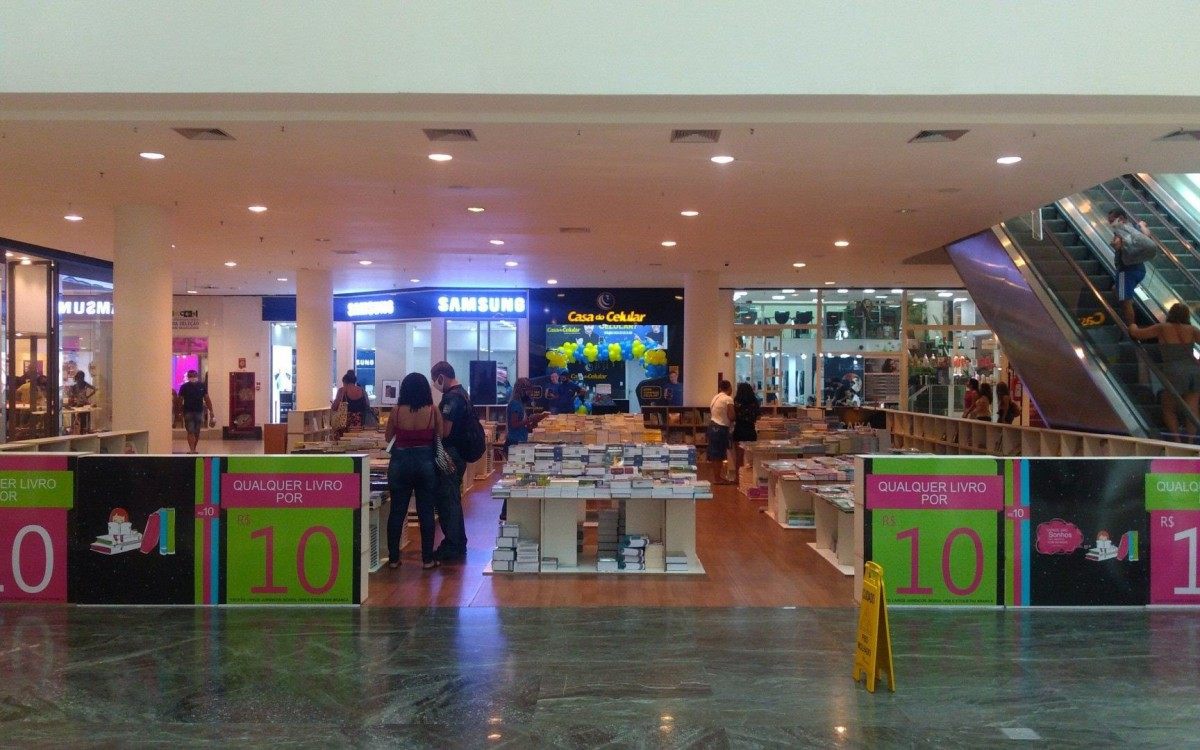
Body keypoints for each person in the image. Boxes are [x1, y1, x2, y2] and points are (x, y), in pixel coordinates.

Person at [384, 372, 443, 570]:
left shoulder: (396, 411)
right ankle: (427, 559)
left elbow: (388, 437)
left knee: (397, 512)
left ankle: (393, 559)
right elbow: (440, 436)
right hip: (426, 463)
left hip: (400, 464)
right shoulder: (433, 411)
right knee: (426, 512)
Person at [1129, 302, 1200, 441]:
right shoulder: (1192, 330)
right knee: (1192, 410)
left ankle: (1177, 440)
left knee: (1168, 408)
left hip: (1174, 371)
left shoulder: (1162, 328)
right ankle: (1191, 442)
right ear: (1186, 316)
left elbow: (1137, 334)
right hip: (1194, 371)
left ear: (1171, 314)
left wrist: (1132, 325)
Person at [430, 361, 470, 561]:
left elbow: (445, 431)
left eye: (435, 380)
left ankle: (453, 544)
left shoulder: (451, 399)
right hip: (460, 453)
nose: (435, 385)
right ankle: (457, 542)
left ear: (441, 377)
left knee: (448, 500)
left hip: (450, 455)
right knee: (452, 498)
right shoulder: (463, 394)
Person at [1109, 208, 1153, 326]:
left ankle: (1131, 329)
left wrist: (1114, 242)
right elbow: (1147, 236)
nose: (1110, 224)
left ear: (1121, 218)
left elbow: (1117, 245)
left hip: (1125, 271)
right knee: (1116, 289)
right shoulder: (1135, 228)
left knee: (1125, 301)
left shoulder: (1121, 231)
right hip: (1139, 269)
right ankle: (1126, 313)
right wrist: (1142, 225)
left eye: (1112, 220)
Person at [176, 370, 213, 453]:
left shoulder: (202, 386)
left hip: (199, 411)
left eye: (194, 375)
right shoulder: (184, 387)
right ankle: (192, 449)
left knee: (197, 431)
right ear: (188, 377)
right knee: (190, 431)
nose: (192, 377)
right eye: (190, 376)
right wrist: (179, 412)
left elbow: (207, 399)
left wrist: (211, 411)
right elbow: (180, 400)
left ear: (197, 376)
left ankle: (194, 448)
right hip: (188, 411)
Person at [707, 380, 735, 484]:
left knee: (715, 454)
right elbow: (731, 416)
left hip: (712, 426)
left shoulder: (715, 397)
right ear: (729, 388)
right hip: (721, 428)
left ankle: (717, 477)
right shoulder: (728, 399)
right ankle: (718, 478)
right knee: (719, 455)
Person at [731, 382, 760, 481]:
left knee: (739, 456)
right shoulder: (754, 402)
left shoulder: (736, 402)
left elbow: (733, 416)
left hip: (739, 430)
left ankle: (738, 478)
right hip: (750, 430)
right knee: (751, 456)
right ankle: (750, 477)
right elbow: (757, 416)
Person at [332, 370, 369, 435]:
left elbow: (334, 407)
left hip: (345, 425)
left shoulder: (342, 390)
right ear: (354, 381)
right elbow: (367, 405)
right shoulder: (362, 391)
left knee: (344, 440)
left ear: (345, 382)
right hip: (360, 425)